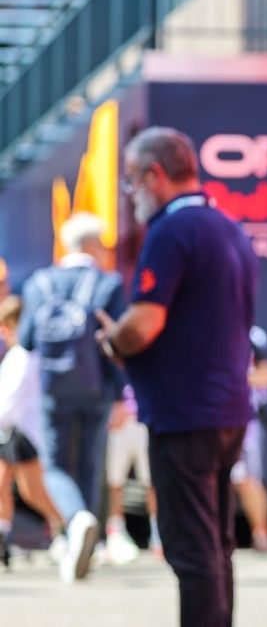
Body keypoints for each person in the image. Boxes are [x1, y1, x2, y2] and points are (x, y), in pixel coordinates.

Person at [95, 127, 257, 627]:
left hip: (185, 414)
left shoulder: (170, 231)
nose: (130, 195)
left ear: (154, 175)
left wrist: (112, 337)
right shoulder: (227, 227)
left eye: (130, 182)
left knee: (191, 550)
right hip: (226, 408)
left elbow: (143, 326)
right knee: (215, 545)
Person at [18, 211, 126, 582]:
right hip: (96, 387)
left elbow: (28, 340)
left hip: (53, 388)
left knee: (56, 465)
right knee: (89, 464)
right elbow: (115, 344)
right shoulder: (107, 284)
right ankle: (86, 533)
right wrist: (120, 395)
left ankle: (74, 523)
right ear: (93, 244)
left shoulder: (39, 283)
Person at [0, 296, 67, 570]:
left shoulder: (23, 355)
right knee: (1, 485)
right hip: (9, 432)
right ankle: (3, 537)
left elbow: (10, 399)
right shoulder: (20, 354)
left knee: (32, 493)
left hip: (23, 434)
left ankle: (70, 526)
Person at [231, 325, 267, 552]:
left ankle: (262, 534)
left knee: (249, 479)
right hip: (210, 420)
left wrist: (235, 376)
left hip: (245, 423)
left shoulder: (252, 335)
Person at [103, 383, 161, 563]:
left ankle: (158, 535)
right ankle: (116, 533)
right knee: (115, 480)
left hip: (145, 419)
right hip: (119, 422)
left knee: (151, 481)